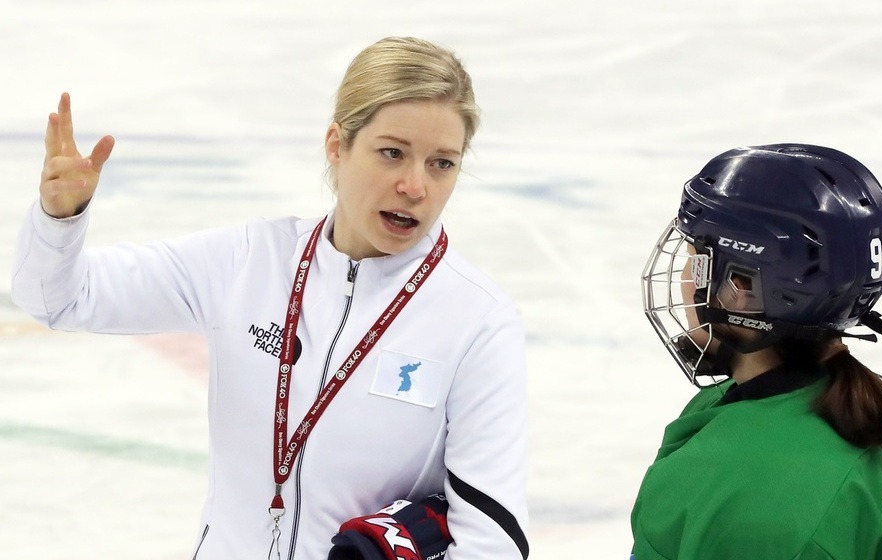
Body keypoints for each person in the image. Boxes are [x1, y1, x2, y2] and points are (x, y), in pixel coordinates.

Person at [12, 36, 529, 560]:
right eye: (392, 153)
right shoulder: (247, 262)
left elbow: (492, 543)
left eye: (442, 163)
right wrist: (59, 218)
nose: (416, 187)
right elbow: (58, 299)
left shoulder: (478, 322)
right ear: (337, 145)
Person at [634, 144, 882, 559]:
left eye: (696, 263)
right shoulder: (853, 409)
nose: (681, 280)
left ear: (742, 290)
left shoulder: (751, 499)